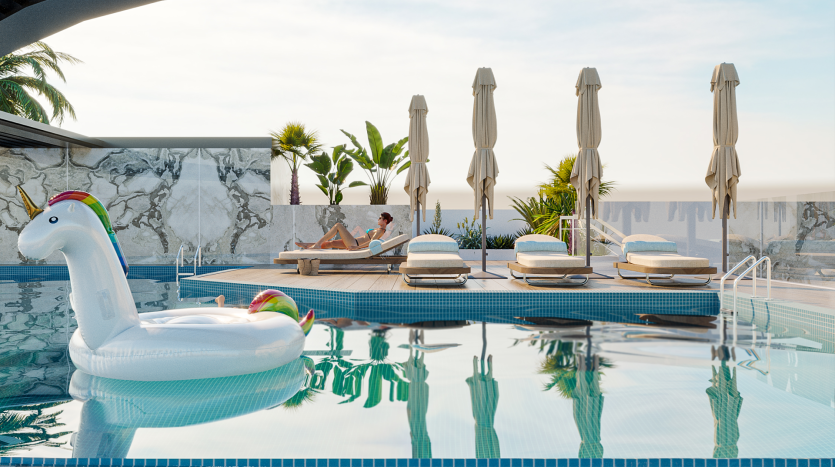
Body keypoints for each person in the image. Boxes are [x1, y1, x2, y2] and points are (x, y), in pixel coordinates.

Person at [296, 212, 392, 250]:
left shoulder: (380, 231)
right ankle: (307, 245)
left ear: (385, 221)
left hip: (354, 243)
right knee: (331, 243)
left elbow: (371, 243)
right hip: (354, 241)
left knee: (338, 225)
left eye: (380, 218)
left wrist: (356, 248)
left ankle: (316, 245)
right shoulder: (379, 229)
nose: (378, 219)